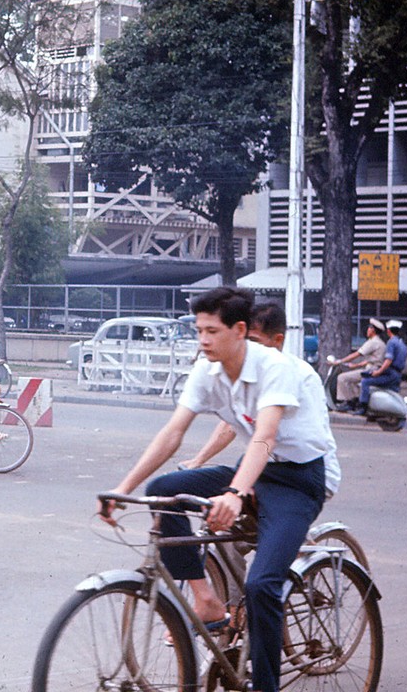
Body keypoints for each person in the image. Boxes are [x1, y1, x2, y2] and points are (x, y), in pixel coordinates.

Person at [100, 287, 336, 692]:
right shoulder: (207, 370)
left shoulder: (274, 366)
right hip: (255, 472)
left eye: (211, 331)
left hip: (299, 479)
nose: (203, 340)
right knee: (164, 490)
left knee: (262, 585)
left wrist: (235, 493)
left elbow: (264, 436)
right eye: (199, 331)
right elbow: (174, 432)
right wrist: (123, 489)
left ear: (239, 330)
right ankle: (205, 599)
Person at [179, 302, 340, 499]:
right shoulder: (249, 372)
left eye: (254, 341)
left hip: (306, 474)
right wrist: (198, 460)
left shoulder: (299, 374)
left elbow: (266, 433)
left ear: (278, 341)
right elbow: (231, 423)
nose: (245, 348)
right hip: (267, 467)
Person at [330, 318, 386, 411]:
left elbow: (356, 354)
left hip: (370, 370)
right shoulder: (380, 342)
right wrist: (355, 366)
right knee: (352, 380)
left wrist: (339, 361)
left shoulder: (373, 342)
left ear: (373, 330)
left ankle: (347, 402)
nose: (367, 330)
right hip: (373, 368)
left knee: (342, 378)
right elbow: (371, 360)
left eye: (369, 328)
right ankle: (355, 400)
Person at [354, 319, 407, 416]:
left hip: (390, 373)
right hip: (398, 374)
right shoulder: (401, 343)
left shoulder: (391, 342)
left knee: (366, 381)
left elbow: (388, 360)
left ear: (388, 331)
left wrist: (379, 372)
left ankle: (363, 408)